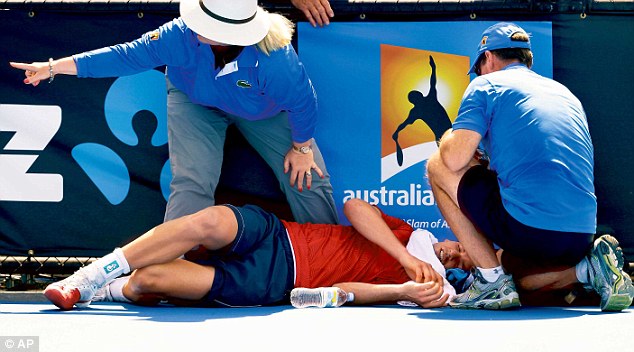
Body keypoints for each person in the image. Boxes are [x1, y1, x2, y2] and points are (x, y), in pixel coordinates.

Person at [9, 0, 339, 225]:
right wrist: (52, 68)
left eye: (207, 23)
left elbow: (303, 102)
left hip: (263, 111)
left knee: (307, 178)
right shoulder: (180, 34)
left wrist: (301, 148)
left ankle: (329, 260)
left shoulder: (274, 59)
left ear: (231, 34)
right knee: (191, 181)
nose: (194, 24)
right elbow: (125, 56)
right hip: (194, 100)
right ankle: (172, 269)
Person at [426, 22, 634, 311]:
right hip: (580, 234)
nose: (479, 73)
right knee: (515, 274)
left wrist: (449, 134)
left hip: (530, 229)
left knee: (436, 165)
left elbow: (453, 160)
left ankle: (490, 283)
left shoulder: (486, 84)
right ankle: (587, 270)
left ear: (488, 59)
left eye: (479, 67)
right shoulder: (563, 93)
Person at [43, 198, 465, 310]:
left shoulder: (432, 289)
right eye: (460, 246)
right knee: (207, 222)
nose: (457, 254)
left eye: (463, 261)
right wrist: (406, 255)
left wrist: (400, 288)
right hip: (279, 234)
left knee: (150, 281)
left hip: (273, 283)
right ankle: (91, 276)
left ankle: (111, 289)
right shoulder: (412, 236)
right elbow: (354, 208)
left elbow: (341, 289)